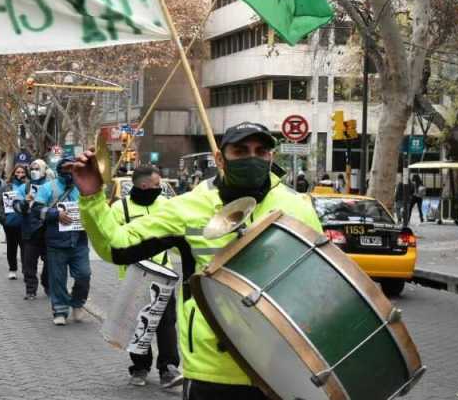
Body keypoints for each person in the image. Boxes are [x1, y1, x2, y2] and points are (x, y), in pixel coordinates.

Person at [72, 122, 322, 399]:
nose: (252, 158)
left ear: (270, 157)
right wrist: (92, 197)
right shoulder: (188, 207)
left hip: (284, 366)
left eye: (260, 151)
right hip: (212, 369)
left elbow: (320, 281)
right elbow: (116, 247)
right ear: (220, 158)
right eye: (240, 151)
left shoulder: (298, 206)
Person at [111, 165, 182, 388]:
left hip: (164, 274)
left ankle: (168, 368)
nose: (159, 188)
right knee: (138, 324)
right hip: (135, 275)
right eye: (156, 184)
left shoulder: (166, 205)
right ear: (143, 185)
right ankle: (140, 367)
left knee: (167, 323)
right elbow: (113, 240)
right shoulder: (119, 208)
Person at [32, 157, 90, 326]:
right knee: (57, 278)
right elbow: (36, 209)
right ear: (58, 170)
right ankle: (60, 310)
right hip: (56, 242)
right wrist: (55, 214)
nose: (69, 172)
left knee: (84, 274)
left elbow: (94, 207)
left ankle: (78, 303)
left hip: (79, 240)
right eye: (66, 169)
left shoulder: (82, 188)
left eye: (72, 168)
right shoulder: (47, 188)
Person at [16, 159, 51, 299]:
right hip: (30, 231)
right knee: (29, 264)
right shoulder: (24, 187)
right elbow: (17, 207)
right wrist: (25, 201)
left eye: (37, 168)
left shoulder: (50, 187)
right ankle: (31, 290)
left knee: (50, 262)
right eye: (32, 168)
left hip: (47, 230)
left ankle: (47, 284)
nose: (34, 171)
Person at [2, 164, 29, 280]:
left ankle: (26, 269)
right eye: (17, 172)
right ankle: (12, 269)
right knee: (11, 247)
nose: (20, 175)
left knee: (25, 247)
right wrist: (3, 219)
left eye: (22, 172)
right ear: (13, 173)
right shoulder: (7, 186)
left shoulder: (29, 186)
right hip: (10, 223)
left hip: (25, 222)